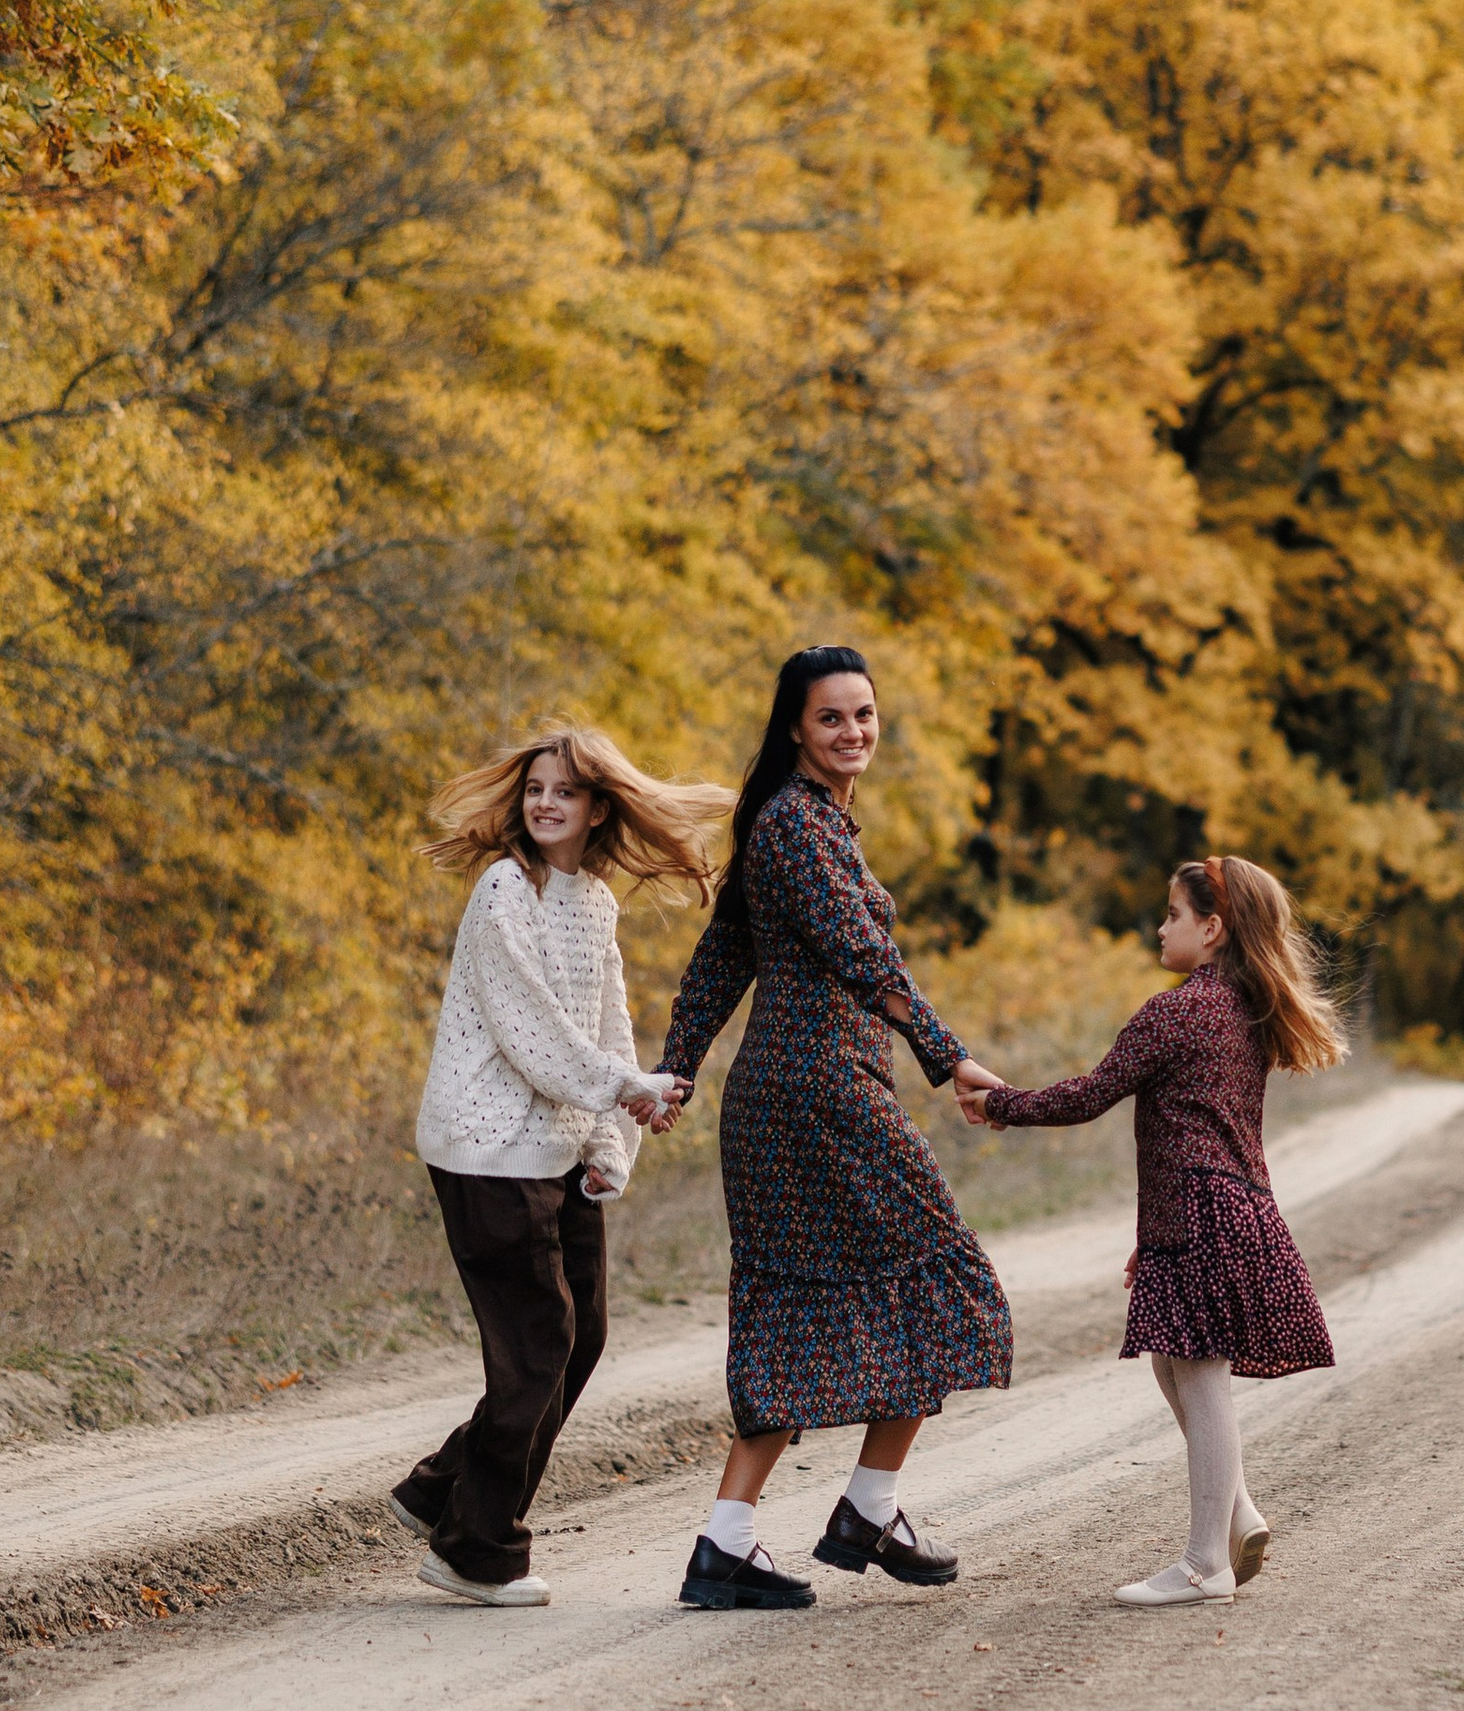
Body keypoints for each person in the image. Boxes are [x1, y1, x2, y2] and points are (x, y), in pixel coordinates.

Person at [652, 645, 1012, 1612]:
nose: (853, 732)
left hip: (785, 1098)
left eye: (864, 714)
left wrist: (679, 1069)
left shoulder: (797, 823)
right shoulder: (797, 829)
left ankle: (728, 1543)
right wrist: (948, 1056)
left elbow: (721, 957)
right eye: (831, 718)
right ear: (795, 730)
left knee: (799, 1301)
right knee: (941, 1279)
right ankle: (866, 1508)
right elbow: (861, 958)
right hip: (823, 1094)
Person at [395, 725, 720, 1607]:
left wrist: (618, 1135)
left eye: (564, 792)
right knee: (539, 1348)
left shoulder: (594, 900)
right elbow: (531, 1030)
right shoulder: (505, 888)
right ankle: (475, 1550)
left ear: (597, 808)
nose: (545, 803)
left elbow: (608, 1020)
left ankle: (442, 1491)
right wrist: (625, 1086)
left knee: (586, 1336)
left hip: (561, 1145)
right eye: (536, 788)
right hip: (488, 1148)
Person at [964, 852, 1341, 1605]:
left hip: (1203, 1210)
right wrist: (1158, 1229)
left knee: (1199, 1375)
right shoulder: (1244, 1013)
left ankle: (1206, 1566)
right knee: (1175, 1364)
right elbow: (1213, 1129)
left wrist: (999, 1103)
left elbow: (1089, 1095)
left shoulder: (1178, 1011)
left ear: (1212, 928)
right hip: (1226, 1205)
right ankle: (1237, 1516)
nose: (1161, 928)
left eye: (1173, 914)